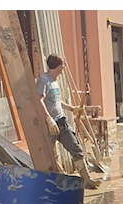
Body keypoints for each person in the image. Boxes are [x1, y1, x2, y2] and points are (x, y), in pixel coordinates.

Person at [37, 53, 101, 189]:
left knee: (77, 149)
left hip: (61, 121)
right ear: (59, 66)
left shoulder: (55, 81)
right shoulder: (44, 80)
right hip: (49, 124)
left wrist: (72, 109)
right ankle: (57, 183)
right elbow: (39, 100)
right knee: (52, 156)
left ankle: (87, 179)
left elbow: (57, 101)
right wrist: (48, 119)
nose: (64, 68)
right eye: (63, 65)